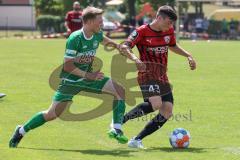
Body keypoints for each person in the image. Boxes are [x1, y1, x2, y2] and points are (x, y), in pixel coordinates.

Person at [9, 6, 145, 148]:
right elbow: (67, 66)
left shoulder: (97, 34)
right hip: (71, 82)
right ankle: (21, 130)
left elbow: (116, 46)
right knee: (51, 114)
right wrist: (89, 75)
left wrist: (133, 57)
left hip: (89, 78)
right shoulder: (75, 38)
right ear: (90, 21)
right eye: (100, 21)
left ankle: (116, 129)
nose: (102, 24)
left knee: (119, 90)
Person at [121, 5, 197, 149]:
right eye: (169, 22)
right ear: (159, 18)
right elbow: (125, 46)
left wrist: (188, 55)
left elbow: (173, 45)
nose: (170, 26)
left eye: (172, 23)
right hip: (147, 74)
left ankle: (136, 140)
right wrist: (135, 59)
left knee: (167, 111)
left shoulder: (168, 30)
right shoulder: (141, 31)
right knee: (155, 104)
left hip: (162, 75)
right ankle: (120, 119)